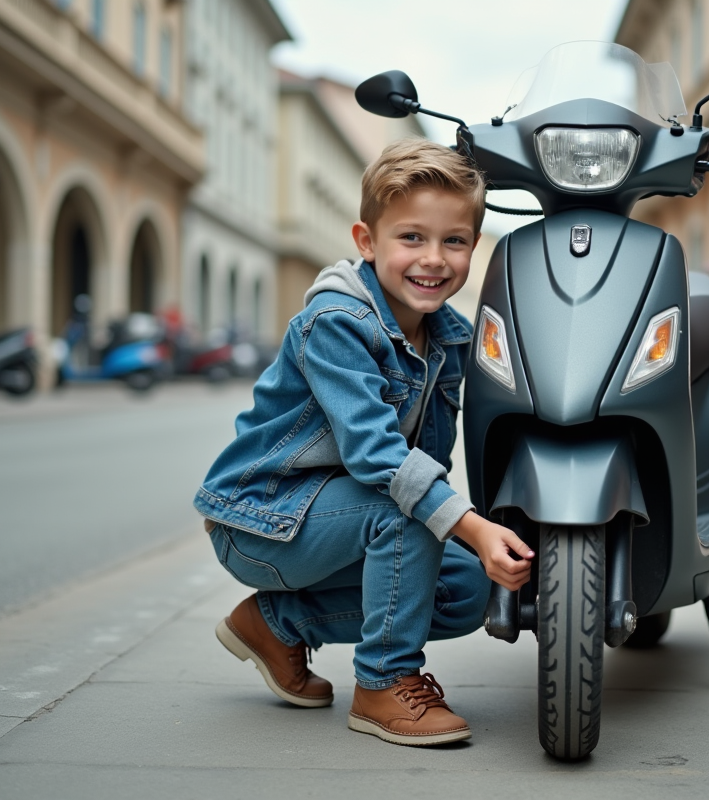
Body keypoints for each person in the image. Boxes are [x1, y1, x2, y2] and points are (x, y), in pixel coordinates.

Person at [194, 139, 533, 747]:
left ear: (473, 247)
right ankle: (382, 684)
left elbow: (430, 459)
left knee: (466, 589)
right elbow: (380, 459)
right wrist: (473, 527)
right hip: (260, 519)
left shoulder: (448, 340)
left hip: (332, 517)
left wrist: (473, 534)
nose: (433, 258)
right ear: (366, 241)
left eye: (453, 241)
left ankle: (278, 624)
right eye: (411, 238)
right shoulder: (337, 323)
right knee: (402, 507)